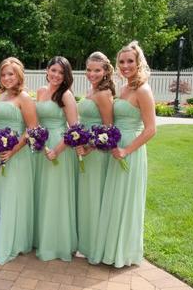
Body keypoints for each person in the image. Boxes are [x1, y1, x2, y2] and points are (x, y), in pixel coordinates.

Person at [91, 41, 156, 267]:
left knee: (127, 200)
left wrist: (127, 150)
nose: (126, 65)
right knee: (114, 199)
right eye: (122, 61)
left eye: (130, 61)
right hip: (116, 148)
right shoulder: (124, 88)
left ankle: (124, 253)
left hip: (131, 150)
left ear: (139, 62)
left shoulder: (143, 90)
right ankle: (111, 249)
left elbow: (150, 129)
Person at [0, 57, 37, 264]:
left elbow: (32, 128)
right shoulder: (0, 98)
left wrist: (12, 150)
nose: (7, 78)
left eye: (11, 74)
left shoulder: (24, 98)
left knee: (12, 196)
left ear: (19, 76)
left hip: (16, 154)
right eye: (3, 74)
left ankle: (13, 241)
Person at [34, 56, 78, 261]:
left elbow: (75, 130)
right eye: (53, 70)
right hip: (41, 147)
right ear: (47, 70)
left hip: (59, 148)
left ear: (66, 76)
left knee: (55, 194)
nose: (56, 76)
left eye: (61, 73)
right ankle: (41, 237)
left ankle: (57, 244)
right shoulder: (41, 92)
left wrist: (57, 150)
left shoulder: (66, 95)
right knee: (42, 192)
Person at [76, 52, 114, 262]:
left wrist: (90, 147)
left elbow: (108, 128)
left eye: (97, 70)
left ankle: (93, 245)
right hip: (85, 148)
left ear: (106, 71)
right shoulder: (93, 90)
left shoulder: (103, 93)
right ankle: (86, 240)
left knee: (93, 196)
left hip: (96, 152)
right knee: (86, 196)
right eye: (89, 70)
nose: (92, 73)